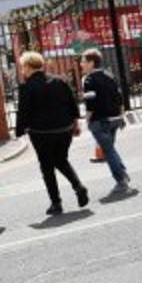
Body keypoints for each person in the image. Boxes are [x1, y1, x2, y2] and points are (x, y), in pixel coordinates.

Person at [16, 51, 89, 216]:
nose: (22, 70)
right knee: (61, 160)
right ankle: (78, 187)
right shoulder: (60, 81)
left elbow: (23, 111)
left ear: (28, 66)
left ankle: (56, 203)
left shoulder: (27, 87)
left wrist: (20, 131)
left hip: (41, 133)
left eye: (22, 67)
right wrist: (75, 123)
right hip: (64, 129)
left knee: (47, 167)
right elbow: (72, 102)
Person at [80, 49, 131, 196]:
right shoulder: (109, 75)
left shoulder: (88, 79)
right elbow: (119, 96)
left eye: (83, 61)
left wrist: (87, 120)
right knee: (110, 150)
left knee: (108, 151)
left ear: (91, 63)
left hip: (99, 120)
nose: (81, 64)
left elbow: (90, 103)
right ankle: (123, 174)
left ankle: (121, 180)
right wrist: (121, 115)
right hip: (114, 118)